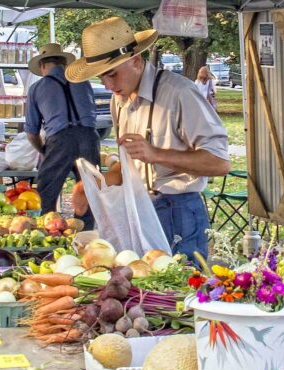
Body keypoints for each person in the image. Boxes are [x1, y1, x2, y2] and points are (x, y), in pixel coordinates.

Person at [65, 17, 229, 261]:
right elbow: (131, 163)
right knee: (144, 292)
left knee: (177, 291)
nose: (108, 85)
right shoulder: (119, 101)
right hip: (139, 209)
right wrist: (94, 184)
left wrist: (157, 154)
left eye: (112, 74)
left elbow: (219, 162)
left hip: (178, 210)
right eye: (101, 78)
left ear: (136, 60)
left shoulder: (179, 93)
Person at [24, 43, 98, 229]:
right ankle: (84, 233)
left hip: (59, 138)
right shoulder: (83, 82)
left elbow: (31, 131)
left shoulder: (37, 88)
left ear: (42, 66)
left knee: (46, 190)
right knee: (89, 189)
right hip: (89, 136)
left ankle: (46, 231)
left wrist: (43, 150)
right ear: (64, 63)